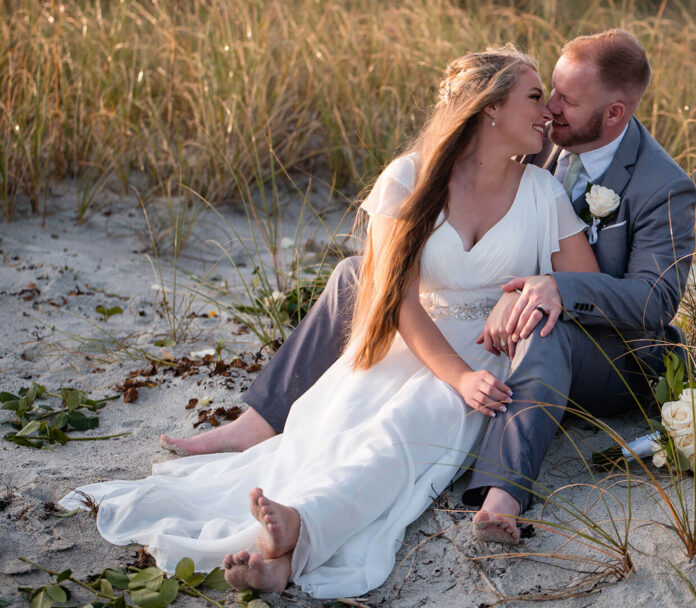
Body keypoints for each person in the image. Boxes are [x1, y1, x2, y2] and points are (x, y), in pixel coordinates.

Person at [60, 45, 598, 598]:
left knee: (397, 439)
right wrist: (455, 374)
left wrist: (537, 288)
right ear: (489, 108)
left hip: (488, 357)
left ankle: (295, 534)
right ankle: (286, 552)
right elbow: (397, 299)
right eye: (534, 97)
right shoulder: (408, 178)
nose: (548, 111)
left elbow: (586, 285)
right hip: (411, 345)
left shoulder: (542, 192)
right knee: (333, 437)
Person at [161, 29, 696, 545]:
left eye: (565, 100)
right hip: (491, 316)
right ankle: (257, 422)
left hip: (607, 344)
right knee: (357, 276)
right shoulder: (536, 143)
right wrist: (527, 288)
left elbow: (653, 301)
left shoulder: (661, 185)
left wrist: (545, 287)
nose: (552, 107)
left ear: (614, 114)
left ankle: (502, 494)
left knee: (534, 329)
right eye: (547, 93)